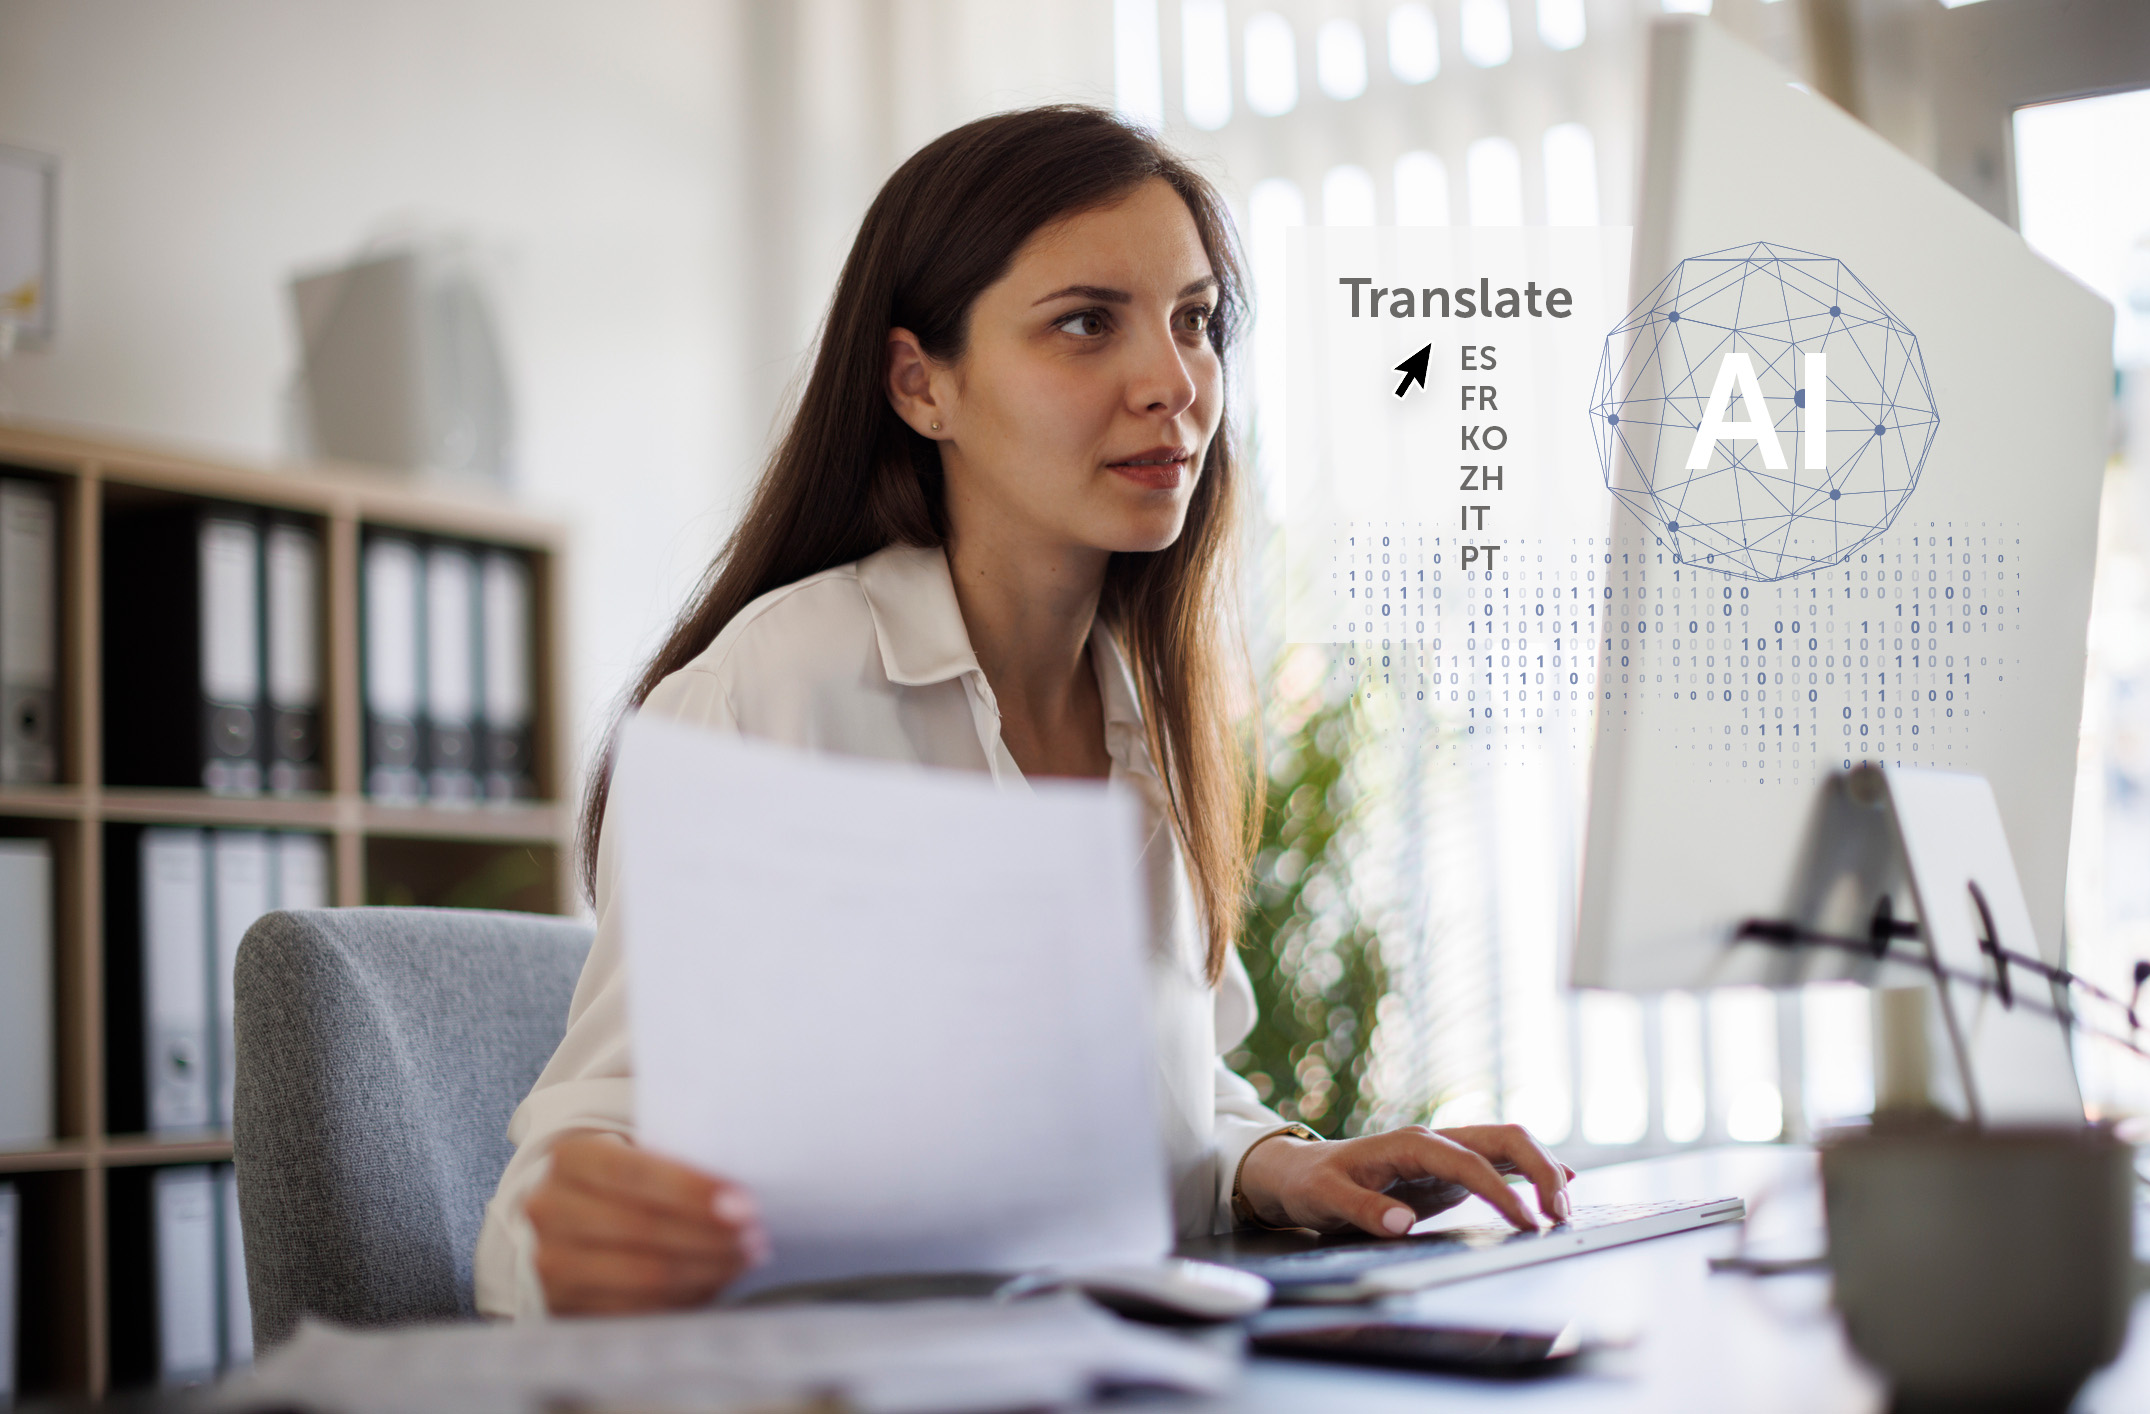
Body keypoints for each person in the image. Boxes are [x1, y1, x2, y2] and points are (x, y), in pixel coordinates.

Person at [476, 106, 1574, 1318]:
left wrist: (1285, 1165)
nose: (1172, 382)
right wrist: (571, 1231)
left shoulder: (1146, 720)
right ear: (920, 383)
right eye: (1085, 324)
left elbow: (1167, 1100)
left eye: (1195, 321)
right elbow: (570, 1169)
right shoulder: (771, 694)